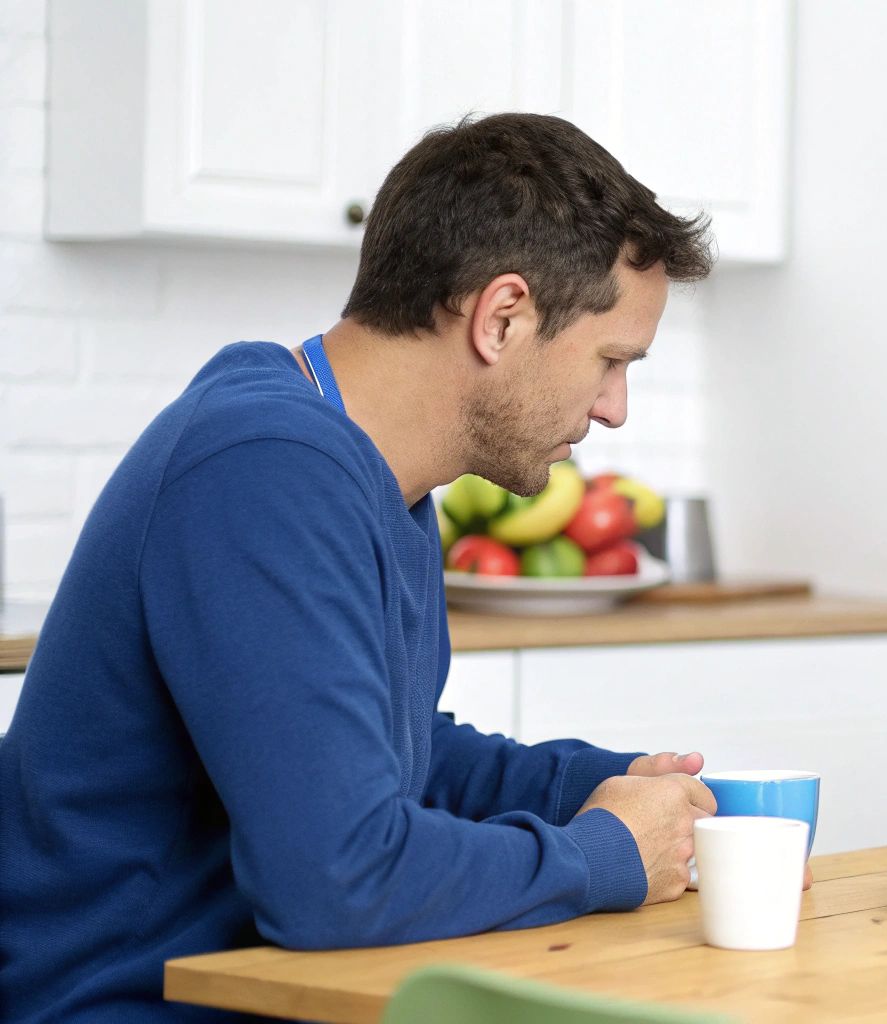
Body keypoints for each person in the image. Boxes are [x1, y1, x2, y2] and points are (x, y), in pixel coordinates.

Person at [0, 113, 750, 1022]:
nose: (614, 407)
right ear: (502, 318)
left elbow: (386, 758)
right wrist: (602, 854)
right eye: (611, 360)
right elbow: (337, 880)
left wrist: (600, 787)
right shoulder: (268, 468)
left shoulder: (367, 473)